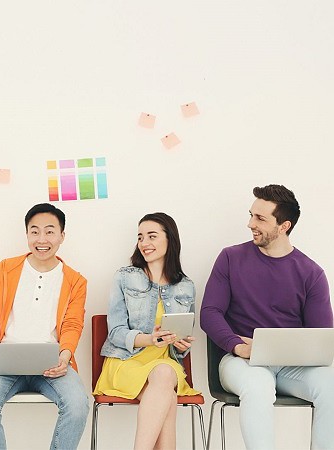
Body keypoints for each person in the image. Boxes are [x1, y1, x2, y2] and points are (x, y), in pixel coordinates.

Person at [201, 184, 334, 449]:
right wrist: (238, 346)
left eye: (260, 218)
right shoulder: (230, 258)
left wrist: (287, 352)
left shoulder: (311, 273)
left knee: (331, 387)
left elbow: (321, 338)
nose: (251, 223)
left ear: (284, 226)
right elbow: (209, 313)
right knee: (259, 385)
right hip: (241, 362)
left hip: (291, 367)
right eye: (251, 215)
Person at [0, 203, 89, 450]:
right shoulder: (5, 269)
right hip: (4, 365)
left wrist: (65, 356)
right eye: (35, 231)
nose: (42, 239)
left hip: (53, 365)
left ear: (62, 236)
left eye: (50, 231)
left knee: (78, 405)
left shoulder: (76, 281)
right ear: (27, 235)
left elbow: (73, 325)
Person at [93, 213, 199, 450]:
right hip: (126, 361)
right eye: (140, 237)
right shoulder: (125, 277)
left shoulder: (186, 285)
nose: (144, 243)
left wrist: (181, 345)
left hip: (165, 363)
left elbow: (180, 341)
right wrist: (149, 339)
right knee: (167, 395)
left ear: (170, 239)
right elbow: (116, 333)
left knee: (164, 375)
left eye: (152, 236)